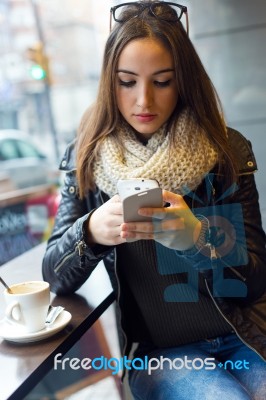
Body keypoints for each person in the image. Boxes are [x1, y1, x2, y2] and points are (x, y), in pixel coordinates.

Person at [42, 1, 266, 399]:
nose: (143, 100)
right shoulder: (87, 159)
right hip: (161, 355)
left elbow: (255, 282)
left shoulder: (225, 150)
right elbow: (54, 275)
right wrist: (90, 231)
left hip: (244, 336)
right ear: (109, 83)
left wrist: (198, 240)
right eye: (127, 82)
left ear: (184, 82)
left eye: (162, 81)